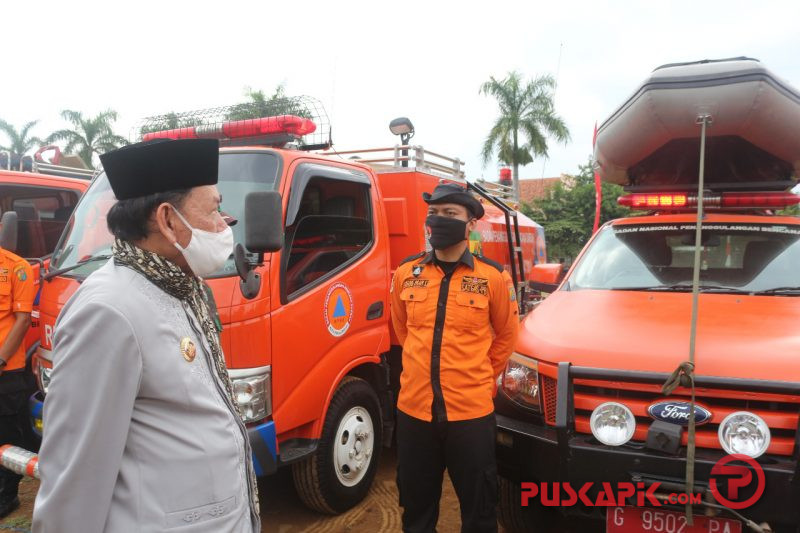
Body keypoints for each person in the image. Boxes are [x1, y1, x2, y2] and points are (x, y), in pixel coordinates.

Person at [33, 139, 260, 532]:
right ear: (168, 220)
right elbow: (75, 479)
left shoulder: (181, 286)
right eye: (214, 209)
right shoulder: (107, 310)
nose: (225, 224)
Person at [391, 183, 520, 533]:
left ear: (471, 224)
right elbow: (403, 332)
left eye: (451, 214)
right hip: (414, 412)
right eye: (434, 213)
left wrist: (478, 377)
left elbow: (507, 335)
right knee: (416, 509)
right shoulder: (406, 273)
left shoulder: (492, 277)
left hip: (470, 414)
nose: (440, 220)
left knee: (479, 509)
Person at [0, 221, 35, 519]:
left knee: (7, 433)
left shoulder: (17, 268)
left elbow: (22, 320)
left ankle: (7, 495)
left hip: (5, 371)